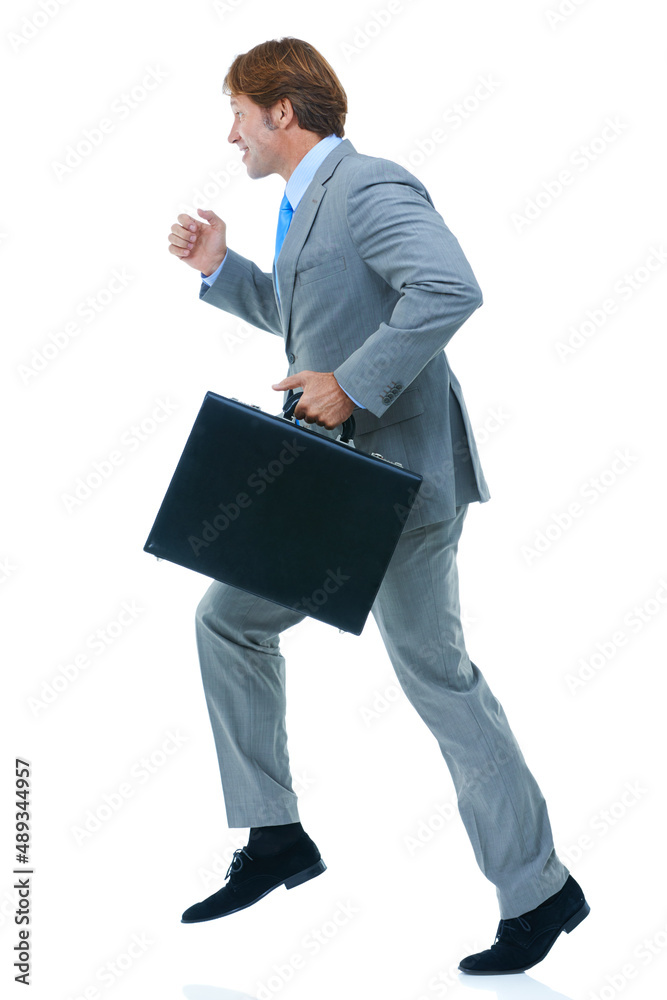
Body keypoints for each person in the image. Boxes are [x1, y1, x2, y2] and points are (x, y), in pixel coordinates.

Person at [167, 36, 589, 975]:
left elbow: (447, 289)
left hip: (398, 487)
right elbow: (311, 314)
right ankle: (276, 835)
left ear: (283, 110)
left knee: (436, 680)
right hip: (341, 481)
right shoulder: (302, 203)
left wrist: (351, 387)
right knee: (227, 619)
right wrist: (220, 271)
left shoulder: (368, 185)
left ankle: (539, 890)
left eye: (237, 110)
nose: (229, 131)